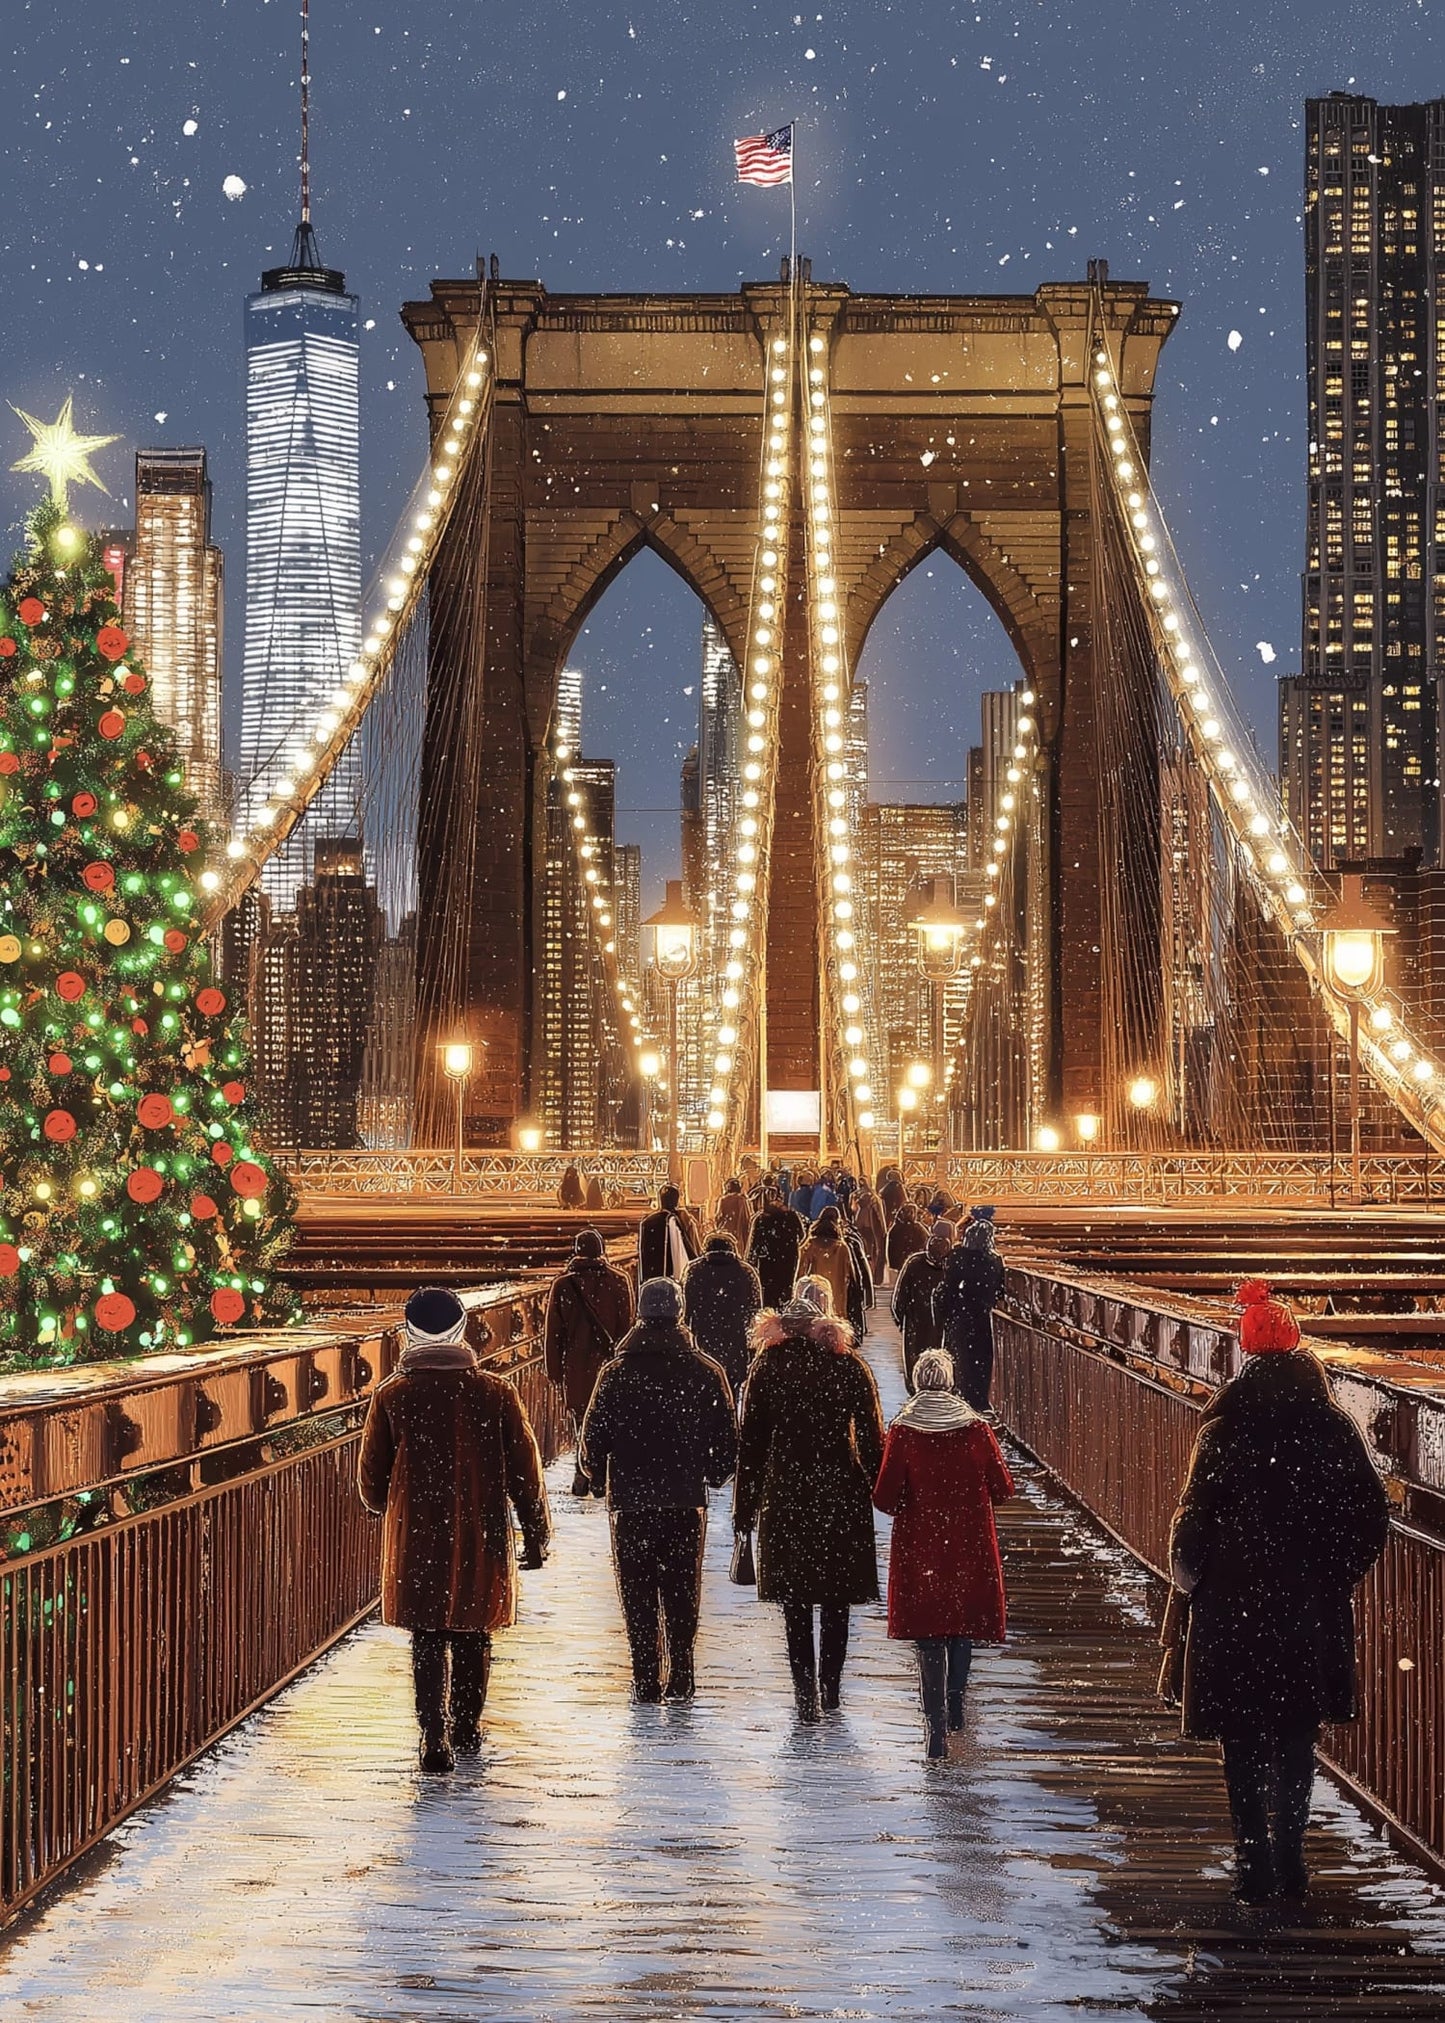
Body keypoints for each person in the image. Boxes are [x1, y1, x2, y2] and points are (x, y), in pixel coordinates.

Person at [1166, 1281, 1389, 1903]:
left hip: (1235, 1609)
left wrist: (1193, 1575)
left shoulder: (1226, 1425)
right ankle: (1291, 1861)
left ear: (1247, 1352)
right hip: (1307, 1610)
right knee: (1296, 1738)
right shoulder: (1333, 1425)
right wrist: (1337, 1570)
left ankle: (1253, 1865)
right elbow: (1372, 1516)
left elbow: (1193, 1517)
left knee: (1241, 1742)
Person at [358, 1287, 551, 1773]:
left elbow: (371, 1486)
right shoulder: (495, 1392)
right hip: (479, 1529)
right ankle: (466, 1726)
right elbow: (525, 1471)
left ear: (409, 1333)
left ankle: (432, 1735)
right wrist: (535, 1530)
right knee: (473, 1631)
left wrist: (397, 1504)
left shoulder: (392, 1395)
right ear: (462, 1331)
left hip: (418, 1531)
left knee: (426, 1634)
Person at [580, 1277, 738, 1702]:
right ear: (679, 1313)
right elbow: (727, 1440)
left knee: (637, 1594)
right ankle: (682, 1674)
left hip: (631, 1502)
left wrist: (597, 1475)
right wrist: (714, 1473)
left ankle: (645, 1678)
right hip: (684, 1499)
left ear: (641, 1315)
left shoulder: (615, 1373)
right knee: (682, 1591)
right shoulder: (706, 1371)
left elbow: (593, 1439)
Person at [733, 1280, 885, 1721]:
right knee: (836, 1601)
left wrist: (745, 1511)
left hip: (786, 1495)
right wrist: (886, 1491)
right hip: (840, 1494)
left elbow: (752, 1447)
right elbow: (873, 1440)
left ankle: (804, 1696)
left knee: (795, 1604)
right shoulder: (849, 1366)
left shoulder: (767, 1367)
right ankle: (831, 1689)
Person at [873, 1348, 1014, 1759]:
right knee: (960, 1628)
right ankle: (956, 1707)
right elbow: (1003, 1488)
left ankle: (934, 1728)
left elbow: (883, 1497)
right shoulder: (975, 1430)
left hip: (921, 1545)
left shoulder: (903, 1431)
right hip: (968, 1543)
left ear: (918, 1382)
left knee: (929, 1638)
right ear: (950, 1382)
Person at [544, 1229, 635, 1495]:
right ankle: (600, 1476)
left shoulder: (563, 1285)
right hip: (608, 1366)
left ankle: (582, 1473)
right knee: (607, 1419)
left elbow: (554, 1334)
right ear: (602, 1250)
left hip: (577, 1367)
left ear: (577, 1250)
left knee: (582, 1420)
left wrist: (554, 1371)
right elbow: (625, 1328)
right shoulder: (619, 1281)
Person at [933, 1208, 1006, 1411]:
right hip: (981, 1317)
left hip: (959, 1316)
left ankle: (956, 1396)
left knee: (958, 1356)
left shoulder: (957, 1255)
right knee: (980, 1362)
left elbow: (948, 1287)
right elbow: (1000, 1291)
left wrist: (944, 1313)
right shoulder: (994, 1260)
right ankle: (978, 1401)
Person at [683, 1231, 764, 1402]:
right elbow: (756, 1314)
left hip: (704, 1343)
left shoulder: (694, 1271)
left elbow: (686, 1313)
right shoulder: (746, 1272)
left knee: (704, 1394)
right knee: (732, 1394)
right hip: (736, 1344)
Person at [891, 1219, 954, 1390]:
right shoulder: (953, 1263)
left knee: (915, 1363)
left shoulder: (915, 1262)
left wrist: (899, 1317)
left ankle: (915, 1392)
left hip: (915, 1322)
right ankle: (940, 1391)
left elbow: (900, 1294)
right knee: (941, 1361)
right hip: (943, 1324)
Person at [797, 1205, 859, 1325]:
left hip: (815, 1291)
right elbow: (851, 1274)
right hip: (838, 1294)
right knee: (835, 1323)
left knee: (817, 1320)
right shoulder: (842, 1247)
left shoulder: (810, 1244)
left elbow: (801, 1271)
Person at [748, 1188, 809, 1308]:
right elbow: (802, 1236)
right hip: (788, 1257)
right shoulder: (792, 1216)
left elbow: (754, 1242)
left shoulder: (761, 1219)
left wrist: (752, 1259)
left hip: (768, 1259)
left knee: (768, 1290)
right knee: (786, 1285)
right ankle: (785, 1308)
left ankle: (771, 1312)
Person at [638, 1184, 702, 1282]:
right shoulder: (677, 1220)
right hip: (670, 1277)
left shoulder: (646, 1222)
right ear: (676, 1202)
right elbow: (683, 1251)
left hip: (650, 1276)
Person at [854, 1181, 888, 1285]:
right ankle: (874, 1277)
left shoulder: (860, 1204)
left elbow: (857, 1220)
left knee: (866, 1253)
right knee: (875, 1254)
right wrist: (884, 1230)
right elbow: (880, 1217)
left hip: (862, 1230)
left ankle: (868, 1275)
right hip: (873, 1230)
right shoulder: (875, 1200)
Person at [886, 1198, 927, 1278]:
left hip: (909, 1260)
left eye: (912, 1212)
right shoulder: (916, 1228)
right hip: (907, 1259)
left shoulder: (897, 1228)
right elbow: (892, 1246)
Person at [713, 1176, 754, 1255]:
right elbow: (748, 1217)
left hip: (726, 1230)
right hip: (740, 1233)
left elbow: (718, 1217)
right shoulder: (743, 1200)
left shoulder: (723, 1200)